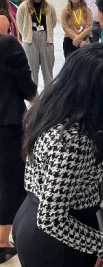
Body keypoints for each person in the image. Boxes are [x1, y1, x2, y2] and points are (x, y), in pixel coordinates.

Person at [12, 43, 103, 267]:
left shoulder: (53, 112)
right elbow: (52, 219)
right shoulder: (73, 141)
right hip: (57, 237)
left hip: (35, 215)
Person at [0, 33, 36, 264]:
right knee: (13, 184)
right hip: (7, 124)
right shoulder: (9, 45)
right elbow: (28, 89)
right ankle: (3, 242)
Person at [16, 0, 56, 86]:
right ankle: (34, 97)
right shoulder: (23, 6)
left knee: (48, 70)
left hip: (46, 37)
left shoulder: (50, 6)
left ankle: (49, 95)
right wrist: (27, 35)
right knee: (32, 70)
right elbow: (19, 23)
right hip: (30, 39)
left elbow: (53, 22)